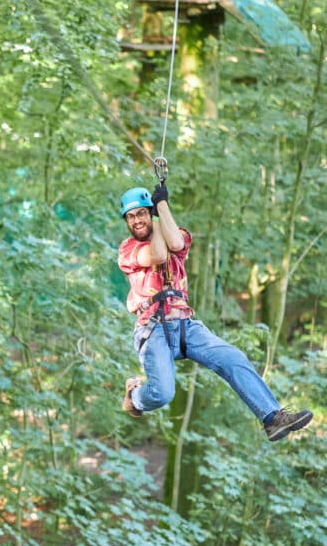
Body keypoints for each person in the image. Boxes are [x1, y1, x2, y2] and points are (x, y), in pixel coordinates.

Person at [117, 183, 312, 441]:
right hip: (152, 331)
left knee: (232, 358)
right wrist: (156, 212)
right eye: (131, 217)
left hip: (186, 325)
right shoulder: (128, 249)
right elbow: (159, 253)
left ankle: (272, 418)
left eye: (141, 213)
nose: (136, 221)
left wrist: (161, 205)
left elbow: (174, 242)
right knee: (163, 393)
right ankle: (135, 397)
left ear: (150, 213)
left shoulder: (177, 232)